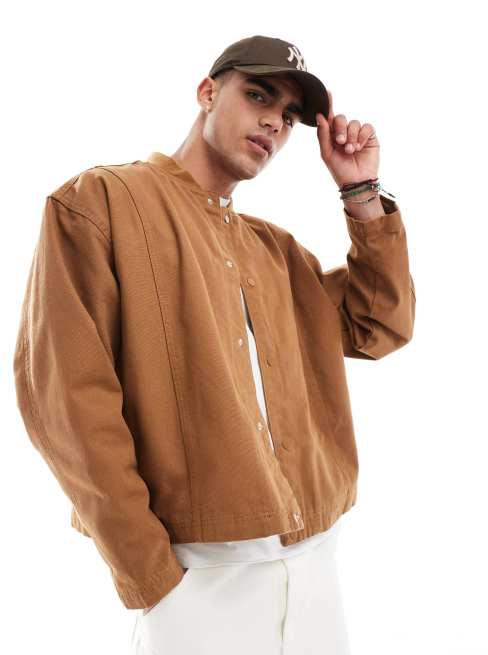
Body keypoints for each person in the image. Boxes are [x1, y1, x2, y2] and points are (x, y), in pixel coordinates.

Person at [13, 35, 415, 654]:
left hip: (316, 568)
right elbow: (66, 401)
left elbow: (378, 326)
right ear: (207, 92)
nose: (273, 123)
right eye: (258, 95)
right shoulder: (100, 202)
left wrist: (360, 193)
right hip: (200, 581)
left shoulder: (274, 250)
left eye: (288, 117)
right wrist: (151, 574)